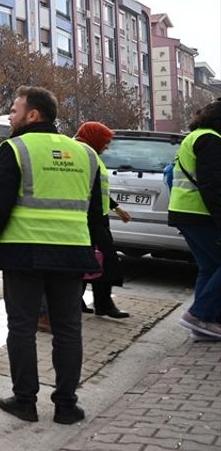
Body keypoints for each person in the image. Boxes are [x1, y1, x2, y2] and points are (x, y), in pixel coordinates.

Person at [0, 86, 104, 426]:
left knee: (22, 328)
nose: (10, 116)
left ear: (33, 115)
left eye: (14, 110)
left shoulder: (15, 149)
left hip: (24, 251)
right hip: (73, 252)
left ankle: (25, 401)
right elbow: (94, 212)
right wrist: (96, 251)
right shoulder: (86, 154)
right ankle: (66, 406)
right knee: (68, 329)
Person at [168, 98, 221, 340]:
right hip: (199, 212)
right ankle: (199, 315)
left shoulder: (196, 137)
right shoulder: (211, 140)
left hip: (185, 211)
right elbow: (213, 185)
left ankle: (202, 326)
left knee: (209, 267)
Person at [74, 121, 132, 319]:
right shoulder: (83, 154)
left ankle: (90, 302)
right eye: (105, 141)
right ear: (94, 138)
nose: (107, 146)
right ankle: (100, 304)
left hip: (97, 217)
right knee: (100, 261)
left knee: (94, 261)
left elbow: (99, 189)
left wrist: (116, 207)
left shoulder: (91, 154)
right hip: (90, 218)